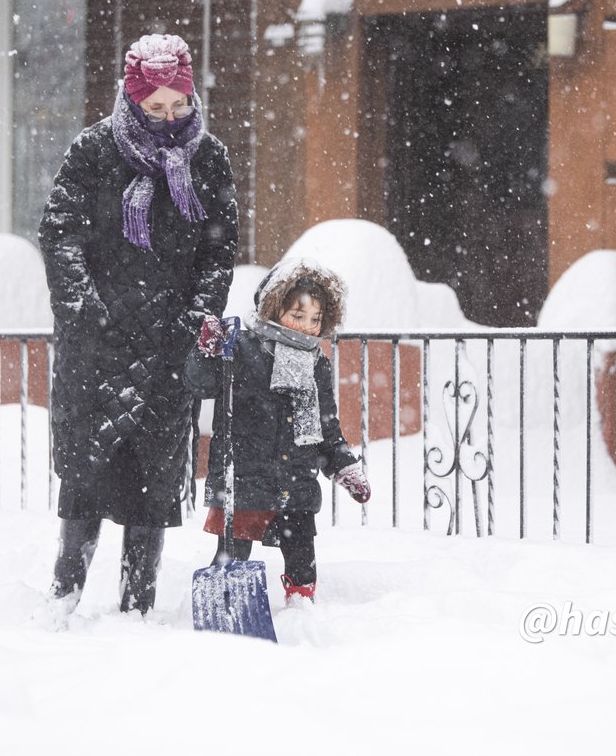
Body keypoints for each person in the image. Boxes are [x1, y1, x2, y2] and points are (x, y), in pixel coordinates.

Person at [38, 33, 237, 617]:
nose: (170, 118)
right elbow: (59, 235)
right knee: (85, 480)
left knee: (153, 484)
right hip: (97, 343)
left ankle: (137, 607)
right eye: (156, 108)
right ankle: (64, 596)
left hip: (169, 343)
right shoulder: (94, 150)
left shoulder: (208, 157)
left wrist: (197, 319)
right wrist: (83, 311)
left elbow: (218, 251)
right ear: (132, 98)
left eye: (179, 106)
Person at [184, 259, 371, 605]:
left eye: (316, 319)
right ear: (273, 308)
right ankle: (221, 606)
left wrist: (344, 465)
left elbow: (326, 428)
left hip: (295, 482)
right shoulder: (241, 348)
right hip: (243, 477)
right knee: (231, 557)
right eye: (297, 316)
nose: (307, 327)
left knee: (303, 561)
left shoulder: (316, 364)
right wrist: (206, 352)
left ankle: (300, 610)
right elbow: (202, 384)